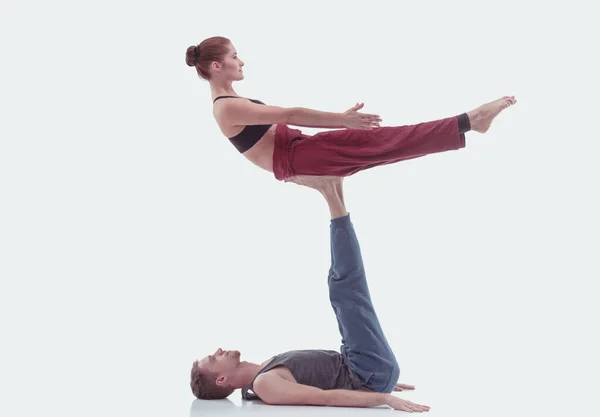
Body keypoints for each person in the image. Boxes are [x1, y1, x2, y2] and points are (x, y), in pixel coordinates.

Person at [190, 175, 431, 413]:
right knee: (344, 288)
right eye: (213, 359)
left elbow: (326, 376)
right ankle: (332, 192)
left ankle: (334, 189)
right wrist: (383, 396)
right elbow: (325, 398)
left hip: (364, 369)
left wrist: (384, 383)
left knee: (339, 284)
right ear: (221, 380)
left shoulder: (265, 372)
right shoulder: (265, 384)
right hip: (365, 371)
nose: (218, 350)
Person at [185, 36, 517, 182]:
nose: (241, 61)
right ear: (216, 66)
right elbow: (289, 113)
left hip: (298, 147)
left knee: (385, 143)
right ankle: (471, 120)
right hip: (294, 157)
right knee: (384, 144)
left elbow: (287, 122)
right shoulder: (226, 109)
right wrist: (342, 121)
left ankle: (470, 122)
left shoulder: (232, 102)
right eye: (233, 56)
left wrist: (340, 122)